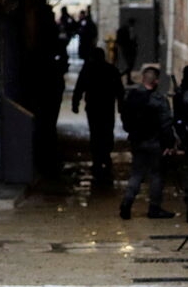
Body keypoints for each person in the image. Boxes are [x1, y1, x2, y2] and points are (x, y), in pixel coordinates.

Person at [119, 65, 175, 220]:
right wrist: (170, 143)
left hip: (137, 141)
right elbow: (166, 123)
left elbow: (124, 117)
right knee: (156, 175)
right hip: (155, 142)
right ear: (155, 81)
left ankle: (127, 203)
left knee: (136, 173)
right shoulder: (158, 100)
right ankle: (154, 208)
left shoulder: (132, 97)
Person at [72, 46, 125, 187]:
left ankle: (98, 158)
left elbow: (79, 87)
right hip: (106, 107)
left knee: (95, 133)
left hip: (94, 107)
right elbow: (120, 90)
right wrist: (121, 106)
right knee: (107, 131)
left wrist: (75, 104)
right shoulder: (111, 70)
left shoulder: (88, 70)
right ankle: (105, 157)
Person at [116, 19, 139, 85]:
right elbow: (127, 40)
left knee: (130, 65)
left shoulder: (125, 29)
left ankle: (127, 79)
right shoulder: (125, 30)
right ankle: (121, 76)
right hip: (128, 49)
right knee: (129, 65)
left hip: (127, 49)